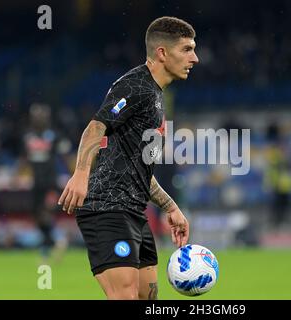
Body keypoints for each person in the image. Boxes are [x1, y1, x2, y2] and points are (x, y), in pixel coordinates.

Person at [58, 16, 198, 300]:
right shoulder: (136, 85)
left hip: (134, 212)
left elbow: (139, 169)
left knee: (149, 298)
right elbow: (95, 127)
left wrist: (170, 207)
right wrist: (81, 174)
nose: (194, 58)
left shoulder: (156, 97)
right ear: (162, 52)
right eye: (186, 49)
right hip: (107, 208)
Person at [22, 103, 70, 259]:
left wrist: (73, 173)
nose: (38, 119)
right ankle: (50, 243)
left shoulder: (54, 135)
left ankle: (55, 241)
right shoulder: (27, 136)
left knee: (46, 212)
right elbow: (25, 159)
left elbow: (65, 154)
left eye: (41, 116)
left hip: (50, 181)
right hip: (36, 182)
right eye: (36, 116)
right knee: (36, 214)